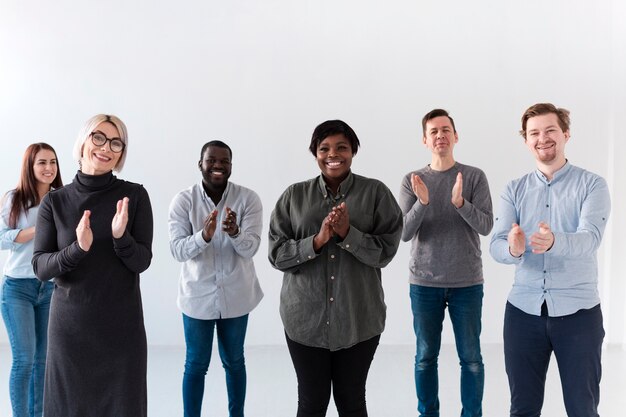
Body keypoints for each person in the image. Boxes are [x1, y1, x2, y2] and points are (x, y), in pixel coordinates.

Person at [268, 119, 402, 417]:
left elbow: (386, 251)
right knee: (311, 403)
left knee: (352, 401)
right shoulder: (294, 196)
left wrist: (347, 235)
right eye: (324, 148)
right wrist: (317, 241)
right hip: (304, 321)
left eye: (342, 147)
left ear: (353, 150)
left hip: (359, 320)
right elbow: (277, 255)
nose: (333, 154)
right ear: (314, 152)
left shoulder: (376, 193)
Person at [490, 103, 610, 417]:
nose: (542, 138)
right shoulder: (514, 189)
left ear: (565, 134)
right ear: (526, 141)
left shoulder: (592, 184)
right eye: (534, 133)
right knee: (523, 409)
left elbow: (590, 238)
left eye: (550, 130)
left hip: (579, 315)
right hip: (523, 314)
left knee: (582, 409)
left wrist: (554, 241)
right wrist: (514, 249)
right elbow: (497, 245)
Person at [32, 114, 153, 417]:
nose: (106, 147)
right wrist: (77, 249)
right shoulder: (55, 202)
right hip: (70, 332)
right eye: (98, 137)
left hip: (121, 332)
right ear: (84, 141)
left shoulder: (134, 196)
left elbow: (142, 262)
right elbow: (41, 267)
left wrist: (120, 237)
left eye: (116, 143)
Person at [399, 109, 493, 417]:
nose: (440, 135)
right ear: (425, 140)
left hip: (467, 282)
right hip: (424, 283)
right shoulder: (412, 180)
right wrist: (423, 202)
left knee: (472, 358)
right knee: (425, 357)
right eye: (434, 131)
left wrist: (460, 203)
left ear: (455, 136)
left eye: (446, 130)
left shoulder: (474, 176)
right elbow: (405, 233)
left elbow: (486, 226)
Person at [168, 140, 263, 417]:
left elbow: (252, 248)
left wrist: (234, 232)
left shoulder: (248, 199)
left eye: (225, 161)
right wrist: (204, 236)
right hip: (197, 297)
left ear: (231, 166)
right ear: (201, 164)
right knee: (196, 364)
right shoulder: (183, 201)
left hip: (237, 295)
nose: (218, 166)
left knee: (234, 361)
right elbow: (176, 250)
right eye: (212, 160)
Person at [1, 143, 63, 417]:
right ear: (30, 166)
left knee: (42, 362)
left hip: (48, 288)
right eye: (42, 163)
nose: (49, 168)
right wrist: (36, 230)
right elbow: (2, 238)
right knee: (24, 361)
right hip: (18, 289)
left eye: (53, 162)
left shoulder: (61, 198)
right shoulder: (14, 199)